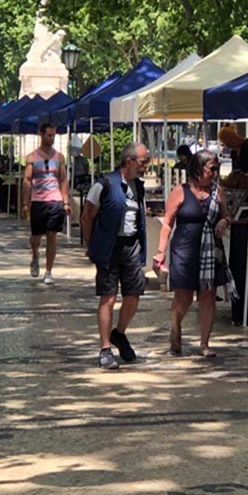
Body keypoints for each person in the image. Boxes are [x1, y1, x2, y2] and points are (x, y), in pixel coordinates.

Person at [154, 149, 230, 357]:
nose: (215, 172)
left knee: (208, 296)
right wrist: (160, 252)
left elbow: (226, 215)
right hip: (185, 250)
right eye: (212, 168)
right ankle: (176, 327)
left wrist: (224, 220)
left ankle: (204, 344)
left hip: (210, 250)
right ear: (198, 169)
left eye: (218, 168)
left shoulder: (217, 192)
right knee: (184, 297)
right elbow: (167, 223)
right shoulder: (180, 191)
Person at [81, 143, 150, 370]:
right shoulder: (105, 184)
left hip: (131, 246)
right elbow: (87, 216)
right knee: (108, 298)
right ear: (129, 161)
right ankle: (105, 348)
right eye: (143, 162)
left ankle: (119, 333)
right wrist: (92, 245)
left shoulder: (138, 186)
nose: (146, 167)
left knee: (133, 296)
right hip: (109, 247)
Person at [21, 122, 71, 285]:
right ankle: (35, 255)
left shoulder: (59, 157)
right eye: (49, 135)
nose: (51, 138)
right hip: (38, 201)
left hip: (55, 200)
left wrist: (65, 202)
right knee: (36, 237)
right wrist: (25, 203)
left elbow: (63, 179)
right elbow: (27, 180)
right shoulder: (32, 157)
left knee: (52, 235)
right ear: (41, 135)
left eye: (53, 135)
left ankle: (49, 271)